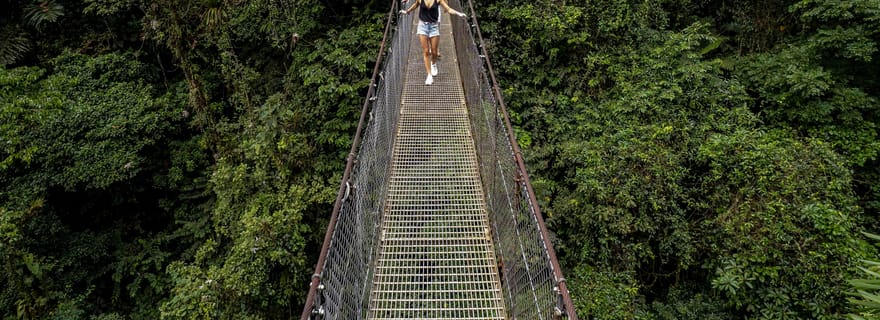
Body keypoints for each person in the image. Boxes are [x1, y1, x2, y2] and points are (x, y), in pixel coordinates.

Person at [400, 0, 467, 85]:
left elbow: (448, 9)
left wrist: (459, 13)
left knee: (434, 52)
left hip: (434, 27)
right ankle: (429, 75)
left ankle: (434, 64)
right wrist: (407, 12)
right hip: (422, 26)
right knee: (426, 51)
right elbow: (415, 5)